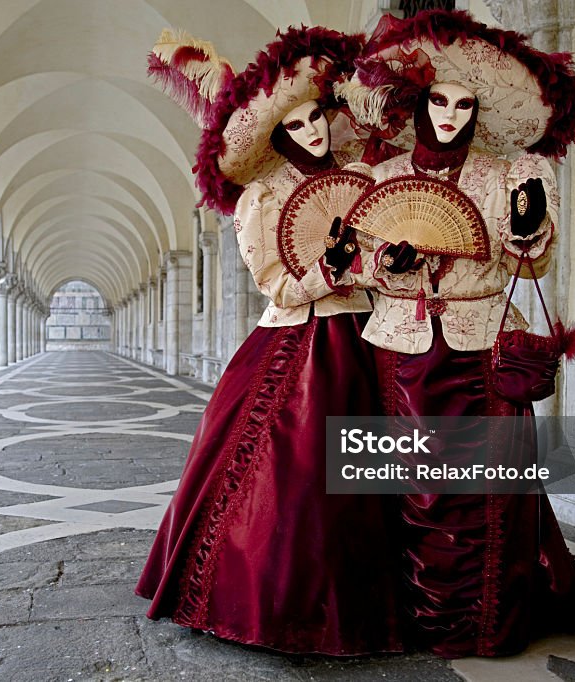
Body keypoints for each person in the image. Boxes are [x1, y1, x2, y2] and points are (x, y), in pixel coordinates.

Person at [326, 10, 575, 658]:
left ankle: (487, 617)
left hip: (480, 344)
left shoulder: (503, 175)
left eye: (463, 103)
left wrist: (525, 220)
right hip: (402, 350)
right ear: (418, 102)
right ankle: (415, 617)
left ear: (477, 112)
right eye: (438, 99)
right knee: (408, 487)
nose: (449, 113)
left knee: (490, 485)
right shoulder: (383, 180)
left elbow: (536, 260)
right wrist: (390, 263)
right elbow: (354, 260)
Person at [136, 27, 409, 655]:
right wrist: (329, 269)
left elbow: (376, 262)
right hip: (301, 346)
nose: (312, 130)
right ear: (276, 136)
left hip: (368, 339)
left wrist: (376, 263)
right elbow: (278, 285)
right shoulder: (262, 197)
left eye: (316, 116)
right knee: (298, 472)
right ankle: (282, 605)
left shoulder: (360, 180)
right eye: (295, 124)